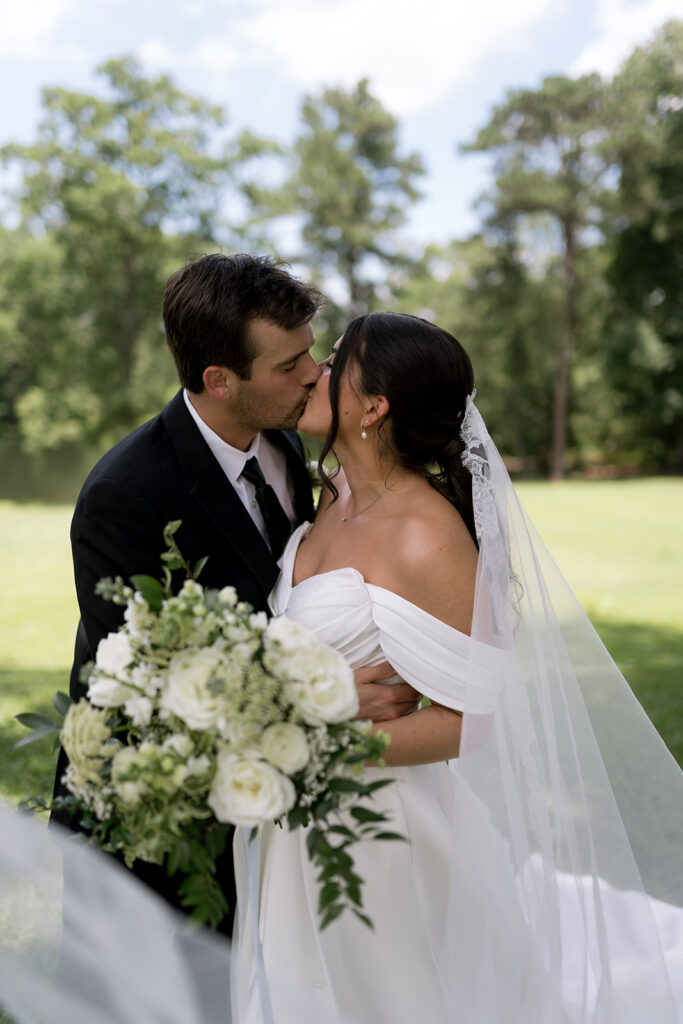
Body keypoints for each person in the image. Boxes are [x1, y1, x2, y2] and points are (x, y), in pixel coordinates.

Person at [232, 311, 683, 1023]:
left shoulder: (425, 536)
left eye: (336, 360)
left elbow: (471, 720)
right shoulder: (326, 498)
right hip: (289, 822)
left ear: (373, 407)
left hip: (378, 835)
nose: (315, 370)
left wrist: (320, 744)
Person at [50, 255, 417, 934]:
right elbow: (149, 690)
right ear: (219, 380)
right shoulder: (124, 497)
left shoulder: (283, 442)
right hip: (158, 825)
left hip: (269, 817)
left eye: (310, 352)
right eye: (288, 365)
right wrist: (321, 705)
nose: (312, 374)